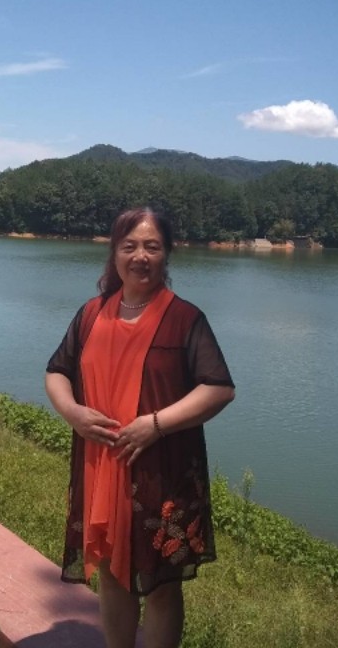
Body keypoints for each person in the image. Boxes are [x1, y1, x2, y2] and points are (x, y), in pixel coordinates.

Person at [45, 207, 235, 648]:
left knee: (162, 583)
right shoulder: (92, 314)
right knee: (111, 573)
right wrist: (72, 412)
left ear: (167, 254)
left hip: (161, 470)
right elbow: (57, 371)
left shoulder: (184, 319)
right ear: (114, 253)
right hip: (101, 465)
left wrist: (155, 424)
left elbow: (219, 388)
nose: (140, 256)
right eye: (129, 246)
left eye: (152, 246)